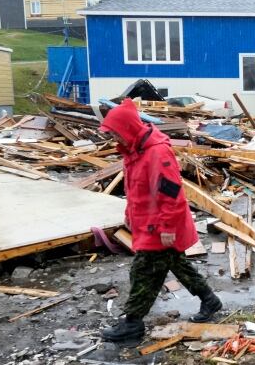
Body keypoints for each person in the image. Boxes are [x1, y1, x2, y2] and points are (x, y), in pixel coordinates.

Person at [99, 99, 222, 342]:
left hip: (163, 226)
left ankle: (133, 323)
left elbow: (171, 193)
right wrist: (129, 214)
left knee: (143, 272)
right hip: (150, 222)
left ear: (127, 129)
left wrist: (167, 227)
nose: (115, 139)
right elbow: (135, 188)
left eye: (115, 133)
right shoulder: (136, 150)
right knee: (178, 265)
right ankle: (210, 301)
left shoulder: (156, 152)